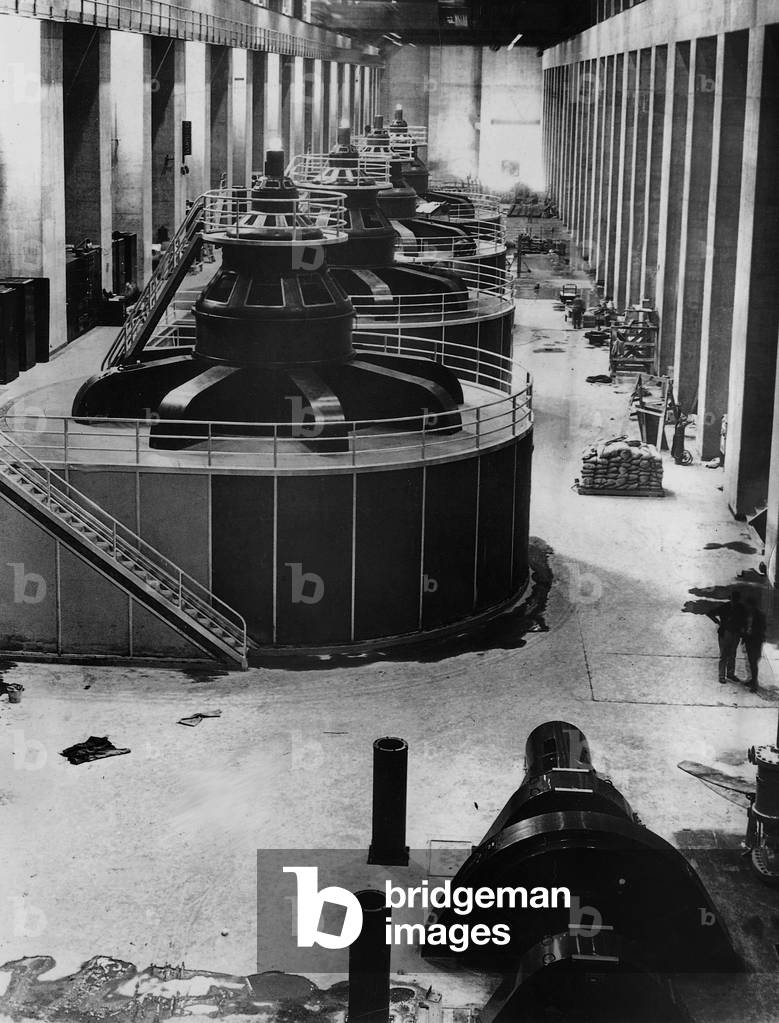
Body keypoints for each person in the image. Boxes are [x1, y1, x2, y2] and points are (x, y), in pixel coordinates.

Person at [708, 591, 747, 684]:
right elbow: (710, 613)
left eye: (736, 599)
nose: (735, 601)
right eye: (734, 599)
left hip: (736, 633)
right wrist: (718, 622)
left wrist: (743, 632)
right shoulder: (724, 607)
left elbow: (744, 621)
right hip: (726, 633)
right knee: (724, 655)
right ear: (731, 599)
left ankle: (730, 674)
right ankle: (721, 675)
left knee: (732, 654)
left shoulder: (741, 608)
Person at [742, 595, 766, 692]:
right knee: (751, 662)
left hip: (756, 641)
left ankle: (754, 684)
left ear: (752, 605)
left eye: (748, 605)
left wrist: (752, 632)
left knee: (753, 662)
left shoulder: (760, 615)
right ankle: (753, 680)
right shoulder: (747, 613)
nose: (747, 607)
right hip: (749, 640)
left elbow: (762, 629)